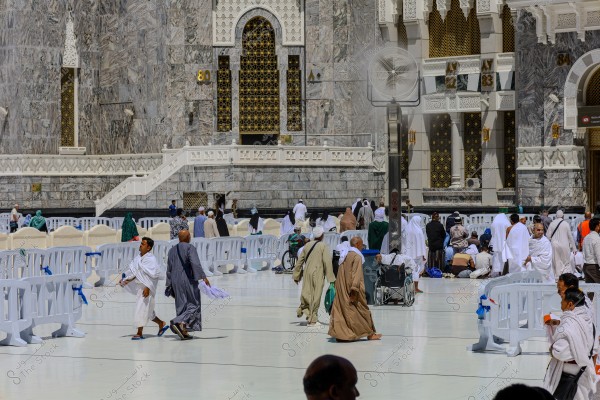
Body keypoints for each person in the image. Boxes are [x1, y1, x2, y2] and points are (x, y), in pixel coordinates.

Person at [543, 288, 596, 400]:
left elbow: (560, 352)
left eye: (562, 300)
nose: (560, 303)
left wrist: (552, 348)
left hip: (567, 373)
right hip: (583, 371)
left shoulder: (570, 323)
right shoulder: (588, 321)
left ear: (570, 304)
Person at [329, 236, 382, 342]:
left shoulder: (345, 255)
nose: (362, 247)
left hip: (341, 288)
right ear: (357, 245)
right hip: (353, 289)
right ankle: (370, 334)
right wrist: (354, 291)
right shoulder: (357, 257)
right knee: (362, 310)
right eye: (361, 245)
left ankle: (342, 335)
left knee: (342, 311)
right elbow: (356, 275)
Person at [119, 237, 168, 340]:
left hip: (146, 288)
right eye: (141, 243)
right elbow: (135, 273)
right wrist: (125, 280)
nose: (140, 245)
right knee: (149, 312)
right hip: (139, 287)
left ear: (148, 247)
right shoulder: (138, 258)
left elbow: (153, 275)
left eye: (143, 244)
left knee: (140, 309)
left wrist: (147, 287)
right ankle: (161, 324)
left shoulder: (151, 260)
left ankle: (139, 332)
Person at [166, 230, 210, 340]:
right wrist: (203, 277)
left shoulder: (172, 250)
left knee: (181, 305)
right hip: (187, 279)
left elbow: (169, 269)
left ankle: (183, 330)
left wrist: (169, 285)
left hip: (175, 281)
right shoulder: (190, 248)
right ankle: (177, 321)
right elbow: (195, 263)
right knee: (194, 304)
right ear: (188, 237)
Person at [292, 227, 335, 327]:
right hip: (318, 272)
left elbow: (299, 261)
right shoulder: (323, 246)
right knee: (316, 295)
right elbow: (327, 262)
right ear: (322, 235)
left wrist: (296, 276)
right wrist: (331, 278)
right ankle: (313, 320)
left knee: (307, 293)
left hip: (307, 272)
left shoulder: (307, 245)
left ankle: (304, 309)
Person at [547, 210, 577, 277]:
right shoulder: (566, 224)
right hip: (565, 245)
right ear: (563, 216)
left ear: (556, 216)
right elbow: (570, 237)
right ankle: (565, 276)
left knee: (557, 262)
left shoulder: (552, 223)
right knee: (566, 263)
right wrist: (574, 248)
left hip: (554, 245)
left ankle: (557, 277)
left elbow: (548, 236)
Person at [405, 215, 426, 293]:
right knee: (416, 271)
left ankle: (408, 287)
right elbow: (422, 244)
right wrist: (423, 254)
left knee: (408, 270)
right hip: (417, 254)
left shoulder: (407, 229)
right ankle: (415, 288)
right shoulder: (419, 231)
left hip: (408, 254)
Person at [583, 218, 600, 286]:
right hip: (594, 267)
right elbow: (599, 255)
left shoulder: (586, 237)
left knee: (590, 292)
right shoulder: (597, 239)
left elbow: (584, 253)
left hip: (586, 266)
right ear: (597, 227)